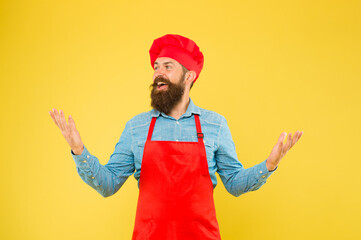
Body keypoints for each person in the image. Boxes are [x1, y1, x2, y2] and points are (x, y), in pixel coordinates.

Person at [49, 34, 303, 240]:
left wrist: (268, 166)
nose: (158, 73)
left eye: (167, 67)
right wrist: (80, 151)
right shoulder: (137, 127)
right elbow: (108, 184)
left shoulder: (214, 124)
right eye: (156, 67)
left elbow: (234, 183)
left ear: (189, 76)